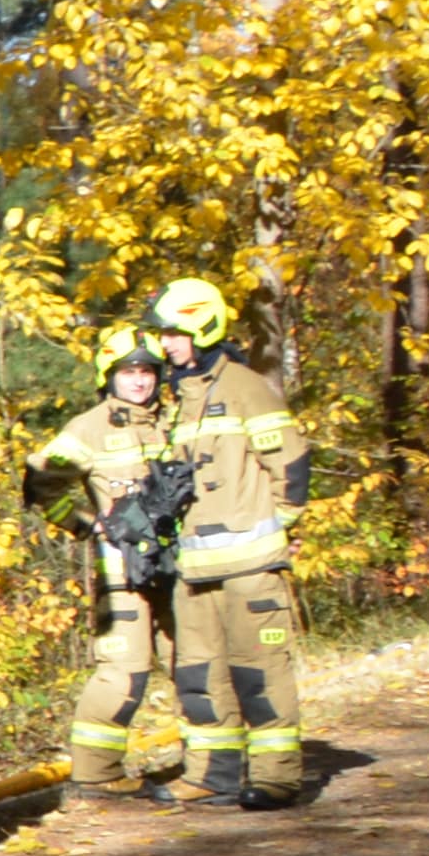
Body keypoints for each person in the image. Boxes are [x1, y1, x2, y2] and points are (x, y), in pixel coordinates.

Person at [139, 275, 313, 808]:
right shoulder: (178, 400)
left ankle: (276, 778)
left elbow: (291, 462)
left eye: (173, 333)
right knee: (199, 679)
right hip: (194, 574)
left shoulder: (243, 387)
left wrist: (271, 521)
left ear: (201, 327)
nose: (164, 344)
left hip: (249, 569)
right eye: (160, 334)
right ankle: (211, 777)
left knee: (259, 676)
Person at [29, 327, 194, 798]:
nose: (140, 382)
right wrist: (88, 525)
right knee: (124, 673)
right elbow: (41, 482)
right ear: (110, 375)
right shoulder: (89, 428)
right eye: (129, 372)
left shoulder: (179, 418)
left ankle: (210, 766)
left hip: (183, 569)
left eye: (147, 372)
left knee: (196, 663)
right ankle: (97, 776)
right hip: (124, 574)